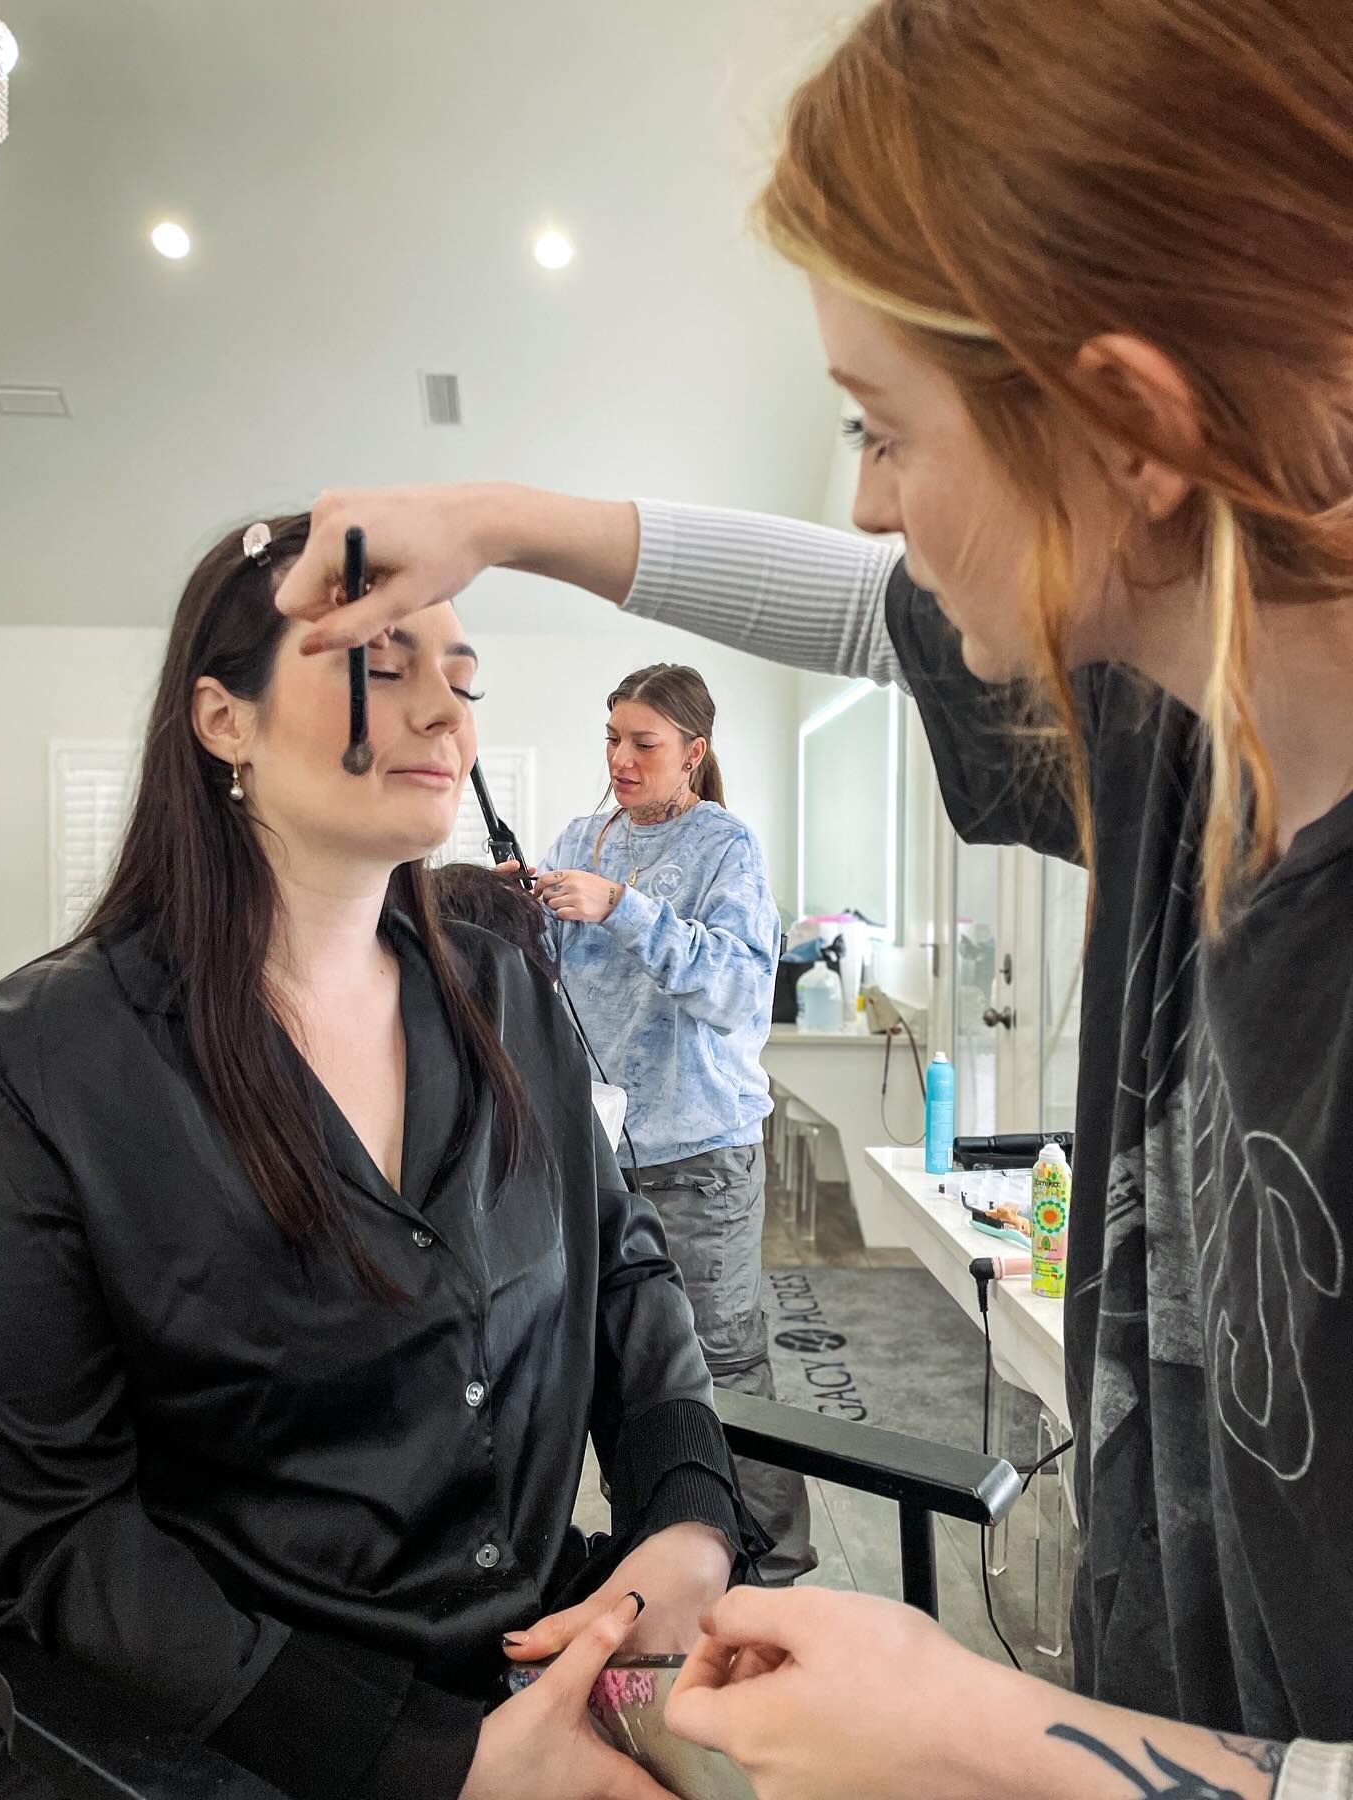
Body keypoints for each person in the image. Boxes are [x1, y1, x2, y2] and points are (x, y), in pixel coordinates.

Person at [271, 0, 1353, 1784]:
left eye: (882, 429)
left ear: (1130, 429)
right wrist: (508, 519)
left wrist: (1001, 1733)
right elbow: (868, 611)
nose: (864, 505)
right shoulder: (1174, 726)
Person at [0, 513, 772, 1800]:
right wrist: (449, 1765)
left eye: (462, 676)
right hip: (237, 1744)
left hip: (541, 1677)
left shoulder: (505, 994)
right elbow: (54, 1540)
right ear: (224, 722)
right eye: (381, 664)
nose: (445, 715)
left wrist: (692, 1524)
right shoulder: (38, 1070)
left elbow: (624, 1277)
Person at [535, 662, 815, 1585]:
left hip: (701, 1157)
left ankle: (768, 1564)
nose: (620, 757)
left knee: (720, 1360)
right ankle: (657, 1549)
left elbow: (738, 989)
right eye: (611, 739)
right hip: (602, 1156)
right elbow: (554, 979)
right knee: (629, 1362)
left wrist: (620, 907)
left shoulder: (726, 849)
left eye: (643, 743)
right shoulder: (584, 836)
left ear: (693, 752)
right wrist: (518, 906)